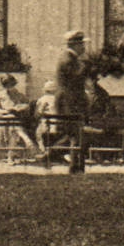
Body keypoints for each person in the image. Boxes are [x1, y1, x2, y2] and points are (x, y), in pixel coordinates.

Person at [53, 30, 90, 173]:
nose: (84, 47)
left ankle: (75, 165)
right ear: (74, 45)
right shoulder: (68, 59)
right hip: (69, 103)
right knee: (75, 134)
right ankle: (75, 167)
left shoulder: (70, 58)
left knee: (75, 134)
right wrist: (86, 66)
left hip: (72, 102)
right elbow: (75, 79)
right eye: (82, 44)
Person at [0, 74, 38, 154]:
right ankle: (27, 140)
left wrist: (21, 107)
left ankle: (10, 156)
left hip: (14, 120)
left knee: (13, 128)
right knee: (14, 127)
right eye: (6, 85)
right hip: (3, 120)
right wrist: (7, 111)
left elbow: (27, 105)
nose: (9, 87)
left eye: (11, 85)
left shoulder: (19, 95)